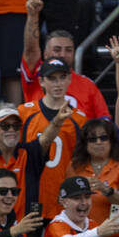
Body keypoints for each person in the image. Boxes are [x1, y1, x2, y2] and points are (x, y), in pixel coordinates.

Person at [0, 100, 59, 223]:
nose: (11, 130)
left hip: (23, 236)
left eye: (16, 125)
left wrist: (58, 120)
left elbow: (47, 138)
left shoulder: (30, 153)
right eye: (5, 126)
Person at [19, 0, 110, 120]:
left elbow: (104, 121)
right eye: (57, 49)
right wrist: (33, 16)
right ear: (45, 53)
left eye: (68, 50)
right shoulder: (36, 77)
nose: (62, 54)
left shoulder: (87, 85)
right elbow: (30, 51)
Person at [18, 58, 88, 220]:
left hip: (63, 196)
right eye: (52, 78)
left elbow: (80, 161)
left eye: (62, 78)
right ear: (41, 82)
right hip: (30, 191)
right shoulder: (24, 113)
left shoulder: (79, 119)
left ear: (70, 79)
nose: (58, 84)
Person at [69, 118, 119, 236]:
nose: (99, 142)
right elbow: (64, 202)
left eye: (104, 137)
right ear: (85, 144)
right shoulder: (74, 166)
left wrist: (106, 190)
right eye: (92, 139)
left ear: (111, 141)